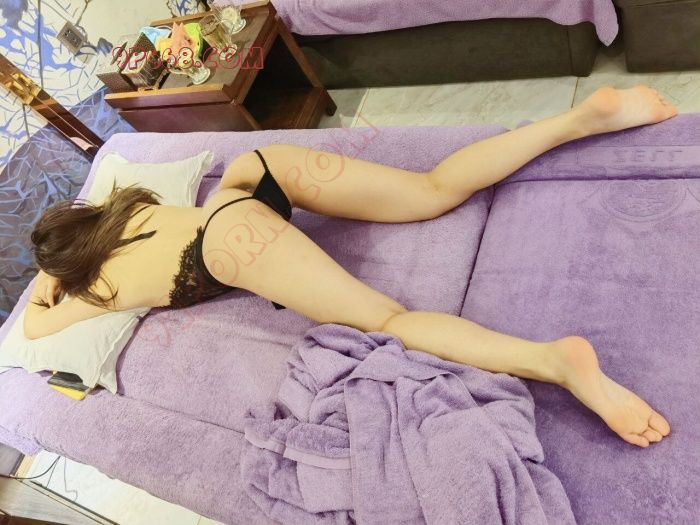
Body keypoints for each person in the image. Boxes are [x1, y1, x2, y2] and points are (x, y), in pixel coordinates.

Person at [26, 86, 676, 448]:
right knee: (431, 189)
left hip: (233, 241)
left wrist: (56, 279)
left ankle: (554, 362)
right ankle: (579, 120)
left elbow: (32, 328)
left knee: (390, 321)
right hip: (251, 177)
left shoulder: (99, 284)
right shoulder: (130, 206)